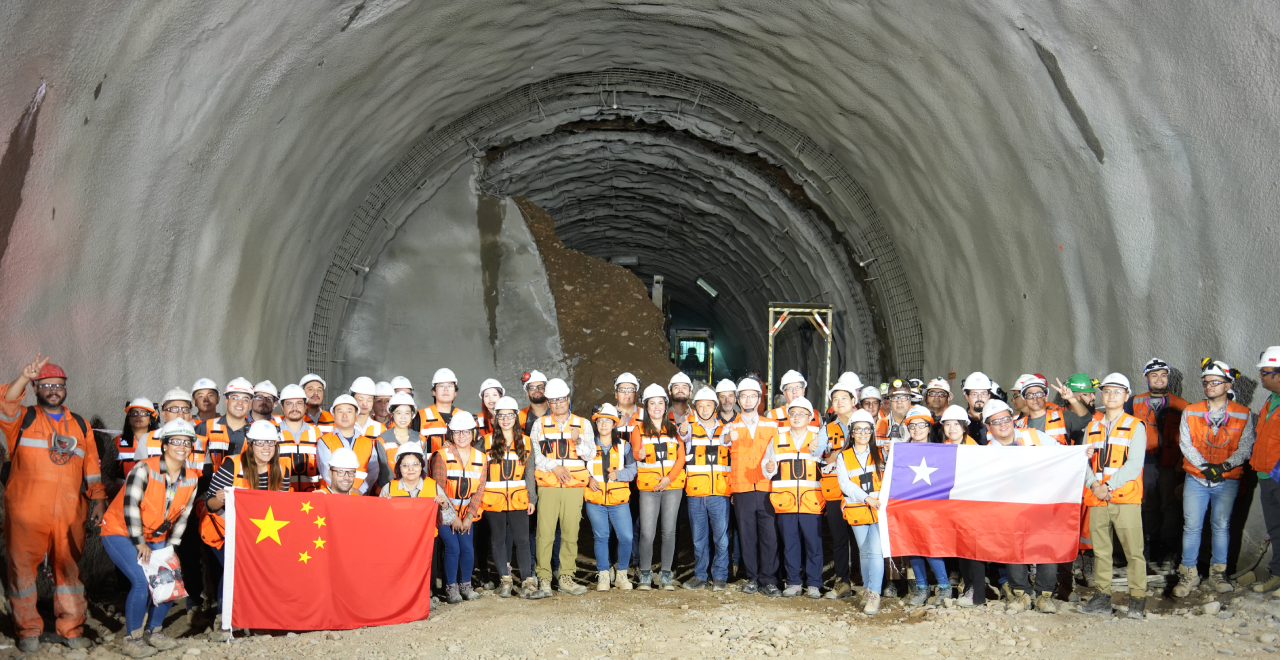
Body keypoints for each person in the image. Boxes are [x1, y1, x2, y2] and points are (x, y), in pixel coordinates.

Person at [1, 355, 106, 652]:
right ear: (36, 389)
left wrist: (97, 499)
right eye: (46, 385)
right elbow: (5, 404)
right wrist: (22, 376)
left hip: (69, 512)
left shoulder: (81, 426)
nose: (53, 390)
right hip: (26, 512)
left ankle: (71, 629)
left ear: (65, 388)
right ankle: (28, 631)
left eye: (58, 385)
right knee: (22, 571)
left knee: (69, 572)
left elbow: (92, 468)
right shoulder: (23, 419)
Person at [100, 419, 199, 657]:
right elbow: (131, 504)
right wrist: (139, 542)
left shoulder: (192, 477)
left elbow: (183, 516)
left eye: (186, 442)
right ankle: (132, 638)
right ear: (165, 445)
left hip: (157, 535)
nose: (181, 446)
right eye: (175, 441)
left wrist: (171, 547)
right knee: (141, 582)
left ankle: (154, 632)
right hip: (120, 531)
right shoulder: (144, 468)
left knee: (169, 580)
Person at [1067, 374, 1148, 618]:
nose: (1111, 395)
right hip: (1097, 499)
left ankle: (1137, 600)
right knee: (1101, 552)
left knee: (1133, 551)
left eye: (1117, 391)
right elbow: (1084, 461)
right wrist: (1094, 486)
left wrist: (1107, 487)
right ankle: (1102, 597)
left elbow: (1134, 465)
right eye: (1107, 391)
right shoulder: (1092, 426)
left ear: (1126, 395)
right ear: (1102, 394)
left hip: (1125, 499)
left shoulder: (1136, 426)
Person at [1173, 359, 1255, 597]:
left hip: (1226, 479)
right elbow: (1185, 443)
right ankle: (1188, 574)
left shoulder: (1243, 414)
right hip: (1197, 479)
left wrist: (1223, 467)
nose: (1209, 386)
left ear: (1228, 385)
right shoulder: (1191, 410)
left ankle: (1218, 573)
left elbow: (1246, 446)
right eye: (1206, 382)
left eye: (1215, 382)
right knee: (1191, 527)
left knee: (1221, 526)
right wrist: (1205, 466)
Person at [982, 399, 1056, 612]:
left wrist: (1082, 453)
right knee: (1014, 549)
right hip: (1010, 508)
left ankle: (1045, 596)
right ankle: (1021, 594)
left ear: (1013, 419)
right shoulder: (986, 453)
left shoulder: (1034, 436)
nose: (1003, 424)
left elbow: (1062, 454)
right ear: (988, 427)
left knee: (1046, 548)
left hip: (1041, 502)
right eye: (996, 422)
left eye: (1007, 418)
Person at [530, 378, 595, 597]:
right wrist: (553, 466)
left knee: (570, 532)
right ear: (548, 402)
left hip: (574, 486)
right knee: (545, 533)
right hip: (548, 484)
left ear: (568, 399)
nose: (557, 404)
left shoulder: (583, 423)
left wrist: (578, 443)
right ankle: (544, 578)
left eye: (561, 399)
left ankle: (566, 576)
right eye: (553, 400)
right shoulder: (539, 424)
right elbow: (535, 455)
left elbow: (591, 454)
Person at [763, 397, 827, 598]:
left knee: (813, 545)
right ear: (788, 417)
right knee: (790, 544)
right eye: (793, 414)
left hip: (811, 501)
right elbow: (767, 466)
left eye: (802, 414)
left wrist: (821, 454)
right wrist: (769, 468)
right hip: (786, 501)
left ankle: (815, 583)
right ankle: (793, 582)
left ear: (810, 418)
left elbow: (828, 466)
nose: (797, 417)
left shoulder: (819, 438)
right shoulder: (777, 439)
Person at [723, 378, 782, 597]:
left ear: (759, 399)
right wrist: (729, 436)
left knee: (769, 535)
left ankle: (769, 579)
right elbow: (722, 441)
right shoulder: (730, 427)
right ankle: (753, 578)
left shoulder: (771, 425)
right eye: (744, 396)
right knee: (747, 535)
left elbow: (778, 454)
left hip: (766, 487)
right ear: (738, 400)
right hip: (742, 488)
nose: (748, 399)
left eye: (752, 395)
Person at [1128, 359, 1189, 571]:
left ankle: (1169, 549)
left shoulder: (1182, 405)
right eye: (1154, 375)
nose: (1159, 379)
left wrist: (1181, 465)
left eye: (1163, 375)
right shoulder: (1134, 402)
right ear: (1146, 378)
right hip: (1144, 463)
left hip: (1171, 464)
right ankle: (1150, 550)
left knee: (1170, 506)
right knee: (1147, 505)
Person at [480, 397, 540, 598]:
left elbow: (529, 473)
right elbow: (479, 473)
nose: (506, 419)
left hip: (519, 499)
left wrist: (532, 498)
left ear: (516, 417)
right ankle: (505, 580)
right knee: (498, 541)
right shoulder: (485, 442)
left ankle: (527, 582)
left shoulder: (527, 441)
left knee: (523, 541)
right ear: (496, 418)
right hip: (492, 500)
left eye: (510, 415)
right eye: (501, 415)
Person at [632, 383, 688, 590]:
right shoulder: (638, 429)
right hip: (649, 488)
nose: (656, 407)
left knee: (669, 531)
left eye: (660, 403)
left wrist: (669, 478)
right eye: (652, 403)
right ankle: (645, 573)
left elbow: (681, 458)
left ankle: (665, 574)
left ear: (666, 406)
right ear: (646, 407)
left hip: (672, 486)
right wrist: (639, 454)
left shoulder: (674, 429)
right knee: (647, 532)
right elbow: (636, 452)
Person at [429, 411, 488, 604]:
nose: (461, 436)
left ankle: (465, 585)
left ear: (473, 433)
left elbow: (480, 491)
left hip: (467, 515)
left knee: (467, 549)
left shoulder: (481, 458)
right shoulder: (441, 456)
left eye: (466, 432)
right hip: (445, 515)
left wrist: (469, 517)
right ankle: (451, 588)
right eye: (457, 432)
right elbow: (439, 489)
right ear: (451, 434)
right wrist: (452, 517)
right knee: (453, 548)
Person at [898, 405, 952, 606]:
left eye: (921, 425)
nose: (917, 429)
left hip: (933, 510)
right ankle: (922, 588)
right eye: (912, 425)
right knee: (913, 546)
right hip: (909, 508)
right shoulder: (900, 452)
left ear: (929, 427)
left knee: (932, 547)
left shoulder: (941, 451)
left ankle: (944, 587)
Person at [836, 409, 885, 614]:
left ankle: (875, 593)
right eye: (858, 429)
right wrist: (867, 498)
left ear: (872, 432)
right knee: (864, 551)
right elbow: (845, 485)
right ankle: (866, 588)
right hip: (858, 509)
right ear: (852, 432)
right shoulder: (843, 456)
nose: (863, 433)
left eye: (867, 429)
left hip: (880, 510)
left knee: (876, 552)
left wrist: (875, 501)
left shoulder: (882, 453)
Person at [583, 403, 637, 591]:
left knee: (626, 537)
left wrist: (618, 475)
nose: (604, 424)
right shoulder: (588, 447)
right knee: (601, 536)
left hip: (619, 499)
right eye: (600, 421)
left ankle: (621, 573)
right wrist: (588, 478)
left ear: (614, 424)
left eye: (608, 421)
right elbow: (579, 468)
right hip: (595, 500)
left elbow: (633, 470)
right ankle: (604, 575)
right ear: (595, 424)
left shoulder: (624, 446)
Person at [683, 387, 730, 591]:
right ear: (695, 408)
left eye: (708, 405)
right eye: (700, 406)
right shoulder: (688, 430)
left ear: (715, 407)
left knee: (721, 538)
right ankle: (700, 576)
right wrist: (683, 431)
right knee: (698, 539)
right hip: (696, 492)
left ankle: (720, 576)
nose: (704, 409)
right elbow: (682, 439)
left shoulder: (726, 430)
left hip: (719, 492)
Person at [819, 380, 859, 599]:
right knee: (840, 538)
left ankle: (864, 578)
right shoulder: (827, 429)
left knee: (861, 538)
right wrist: (827, 456)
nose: (839, 402)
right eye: (835, 399)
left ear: (854, 401)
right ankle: (842, 581)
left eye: (844, 398)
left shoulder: (865, 423)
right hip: (835, 489)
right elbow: (815, 453)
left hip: (859, 490)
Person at [1251, 347, 1280, 595]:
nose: (1261, 377)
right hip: (1265, 476)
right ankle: (1278, 576)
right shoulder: (1271, 401)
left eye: (1265, 372)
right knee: (1276, 530)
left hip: (1278, 477)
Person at [317, 394, 379, 495]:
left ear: (356, 414)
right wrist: (349, 492)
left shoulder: (368, 443)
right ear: (333, 414)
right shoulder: (324, 441)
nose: (344, 415)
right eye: (340, 411)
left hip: (361, 498)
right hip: (331, 498)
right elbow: (326, 473)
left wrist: (361, 492)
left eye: (349, 411)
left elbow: (374, 471)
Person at [198, 377, 254, 472]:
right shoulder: (205, 428)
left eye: (245, 399)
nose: (240, 403)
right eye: (235, 398)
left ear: (249, 405)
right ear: (226, 402)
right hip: (211, 485)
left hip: (244, 485)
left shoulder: (256, 432)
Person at [277, 384, 322, 492]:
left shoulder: (316, 432)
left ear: (305, 406)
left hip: (311, 499)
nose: (294, 408)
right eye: (289, 404)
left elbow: (323, 467)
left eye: (299, 403)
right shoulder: (273, 433)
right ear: (282, 408)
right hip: (282, 497)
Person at [374, 391, 417, 494]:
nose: (403, 417)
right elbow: (383, 473)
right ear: (392, 414)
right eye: (399, 413)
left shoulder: (420, 439)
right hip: (389, 493)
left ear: (412, 415)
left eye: (407, 413)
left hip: (416, 494)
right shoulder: (382, 440)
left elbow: (423, 471)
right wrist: (394, 491)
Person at [1014, 375, 1069, 445]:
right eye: (1030, 395)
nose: (1035, 398)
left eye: (1039, 394)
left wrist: (1072, 399)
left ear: (1046, 397)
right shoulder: (1017, 424)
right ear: (1025, 399)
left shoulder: (1062, 416)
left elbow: (1084, 420)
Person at [113, 398, 158, 484]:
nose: (139, 416)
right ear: (129, 418)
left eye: (144, 413)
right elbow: (106, 474)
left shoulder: (161, 442)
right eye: (134, 413)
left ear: (151, 419)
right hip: (123, 495)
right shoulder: (117, 443)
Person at [419, 368, 463, 453]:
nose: (446, 389)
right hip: (428, 466)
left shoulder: (463, 416)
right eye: (441, 386)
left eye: (450, 386)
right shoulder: (420, 416)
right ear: (434, 392)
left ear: (455, 392)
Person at [876, 380, 913, 451]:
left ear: (910, 400)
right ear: (889, 401)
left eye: (903, 397)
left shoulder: (918, 423)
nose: (899, 402)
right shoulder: (880, 424)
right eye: (894, 398)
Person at [961, 372, 993, 444]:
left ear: (989, 396)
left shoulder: (997, 419)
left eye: (983, 393)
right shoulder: (959, 420)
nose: (979, 398)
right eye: (975, 394)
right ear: (967, 397)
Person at [519, 370, 550, 435]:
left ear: (546, 390)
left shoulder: (557, 411)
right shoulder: (520, 417)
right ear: (527, 394)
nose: (537, 390)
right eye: (532, 388)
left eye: (540, 387)